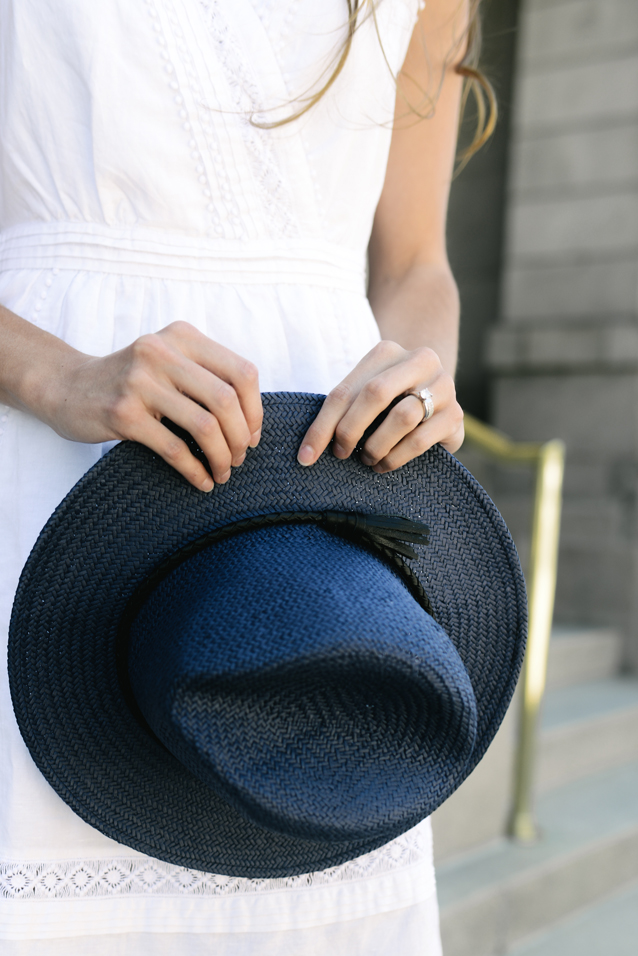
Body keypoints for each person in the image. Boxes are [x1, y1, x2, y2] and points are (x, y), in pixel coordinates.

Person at [0, 0, 493, 952]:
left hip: (327, 507)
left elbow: (416, 264)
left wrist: (420, 368)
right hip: (49, 463)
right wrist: (58, 374)